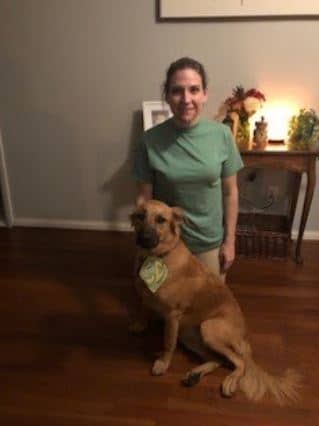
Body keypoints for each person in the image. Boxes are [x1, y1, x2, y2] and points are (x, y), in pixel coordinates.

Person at [132, 57, 243, 281]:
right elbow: (143, 198)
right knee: (157, 302)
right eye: (177, 91)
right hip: (163, 244)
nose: (186, 99)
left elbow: (231, 193)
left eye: (194, 90)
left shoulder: (222, 135)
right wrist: (145, 242)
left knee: (206, 304)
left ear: (205, 94)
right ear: (167, 95)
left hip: (208, 242)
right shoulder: (149, 140)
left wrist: (229, 242)